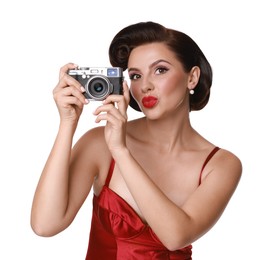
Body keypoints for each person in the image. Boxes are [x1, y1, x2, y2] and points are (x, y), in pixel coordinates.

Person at [31, 21, 242, 259]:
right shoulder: (99, 143)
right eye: (135, 75)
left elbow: (175, 237)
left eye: (160, 70)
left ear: (192, 78)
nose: (145, 86)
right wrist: (67, 123)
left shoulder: (221, 164)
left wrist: (121, 151)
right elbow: (45, 225)